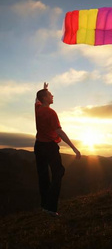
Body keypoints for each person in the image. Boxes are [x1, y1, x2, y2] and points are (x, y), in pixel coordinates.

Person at [34, 82, 81, 216]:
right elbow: (60, 132)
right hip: (49, 147)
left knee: (43, 176)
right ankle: (51, 207)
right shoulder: (51, 112)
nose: (52, 96)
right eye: (50, 95)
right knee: (58, 172)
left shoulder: (37, 108)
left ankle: (44, 205)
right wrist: (74, 148)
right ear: (45, 98)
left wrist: (44, 89)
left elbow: (36, 99)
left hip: (38, 146)